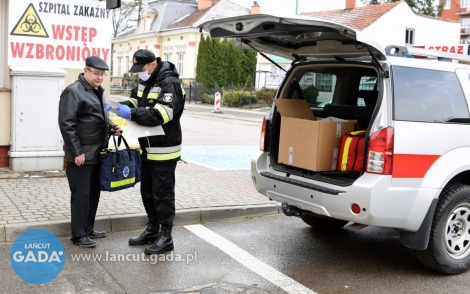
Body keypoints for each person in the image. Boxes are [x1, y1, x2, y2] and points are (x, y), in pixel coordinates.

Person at [116, 49, 185, 255]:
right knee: (147, 192)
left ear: (153, 64)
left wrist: (132, 113)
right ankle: (152, 229)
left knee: (163, 195)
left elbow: (162, 114)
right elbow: (137, 101)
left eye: (142, 68)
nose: (139, 72)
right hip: (147, 147)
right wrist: (121, 107)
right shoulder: (146, 80)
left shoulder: (169, 83)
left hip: (164, 150)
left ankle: (166, 237)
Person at [58, 56, 122, 248]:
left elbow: (99, 117)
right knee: (81, 195)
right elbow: (67, 124)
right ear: (85, 70)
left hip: (97, 153)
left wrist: (112, 127)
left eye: (102, 74)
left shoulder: (98, 92)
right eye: (96, 73)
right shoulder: (73, 92)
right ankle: (78, 235)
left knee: (93, 193)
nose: (100, 77)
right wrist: (76, 151)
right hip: (82, 155)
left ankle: (88, 227)